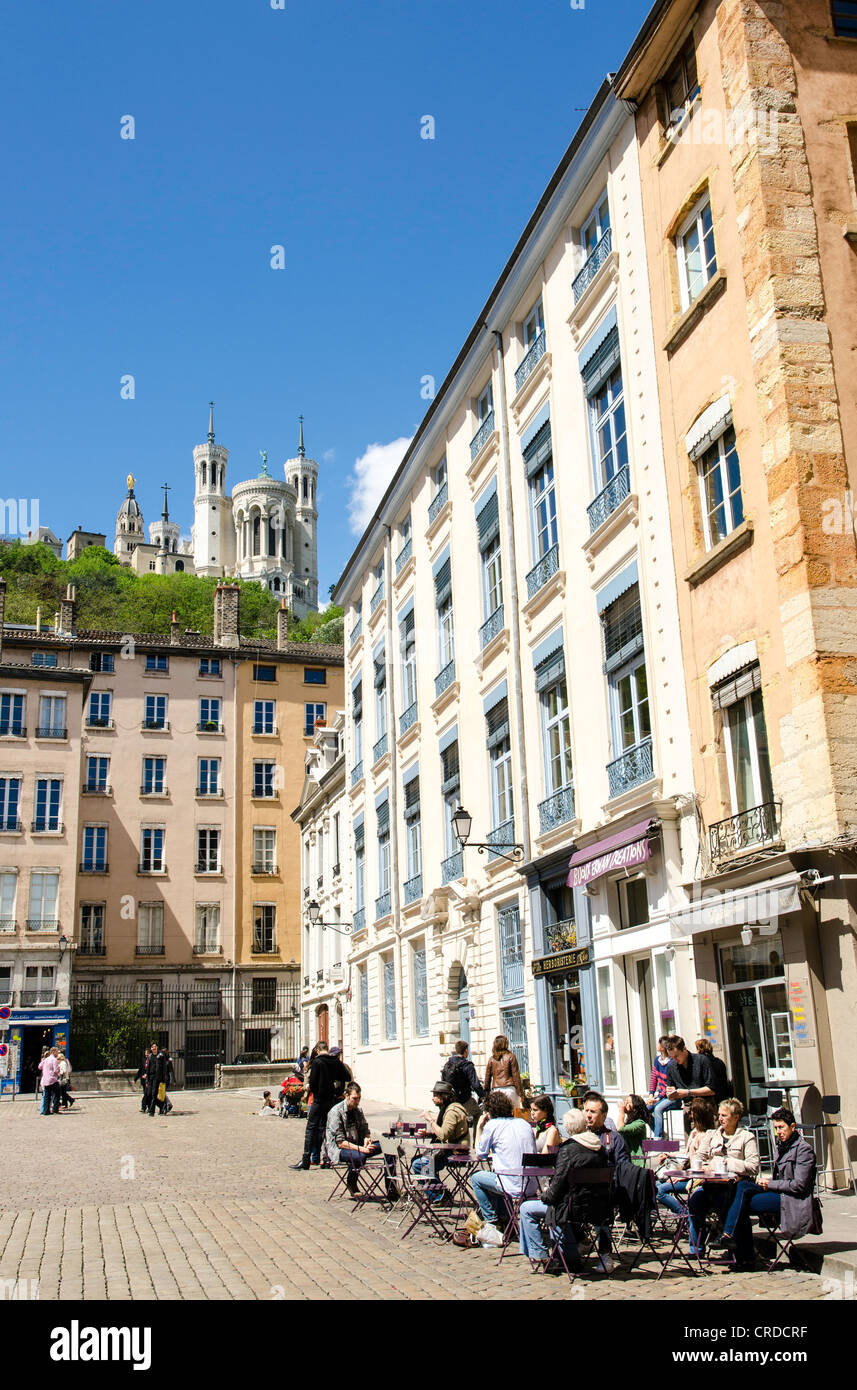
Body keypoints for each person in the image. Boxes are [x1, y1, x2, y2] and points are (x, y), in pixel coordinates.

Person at [713, 1108, 817, 1270]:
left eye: (781, 1127)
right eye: (776, 1128)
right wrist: (768, 1182)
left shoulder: (804, 1150)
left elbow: (800, 1185)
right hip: (779, 1192)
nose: (778, 1132)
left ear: (793, 1127)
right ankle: (737, 1247)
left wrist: (770, 1184)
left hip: (792, 1199)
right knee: (741, 1186)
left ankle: (742, 1254)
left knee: (741, 1204)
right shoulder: (783, 1146)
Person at [518, 1107, 612, 1273]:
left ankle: (542, 1255)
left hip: (572, 1208)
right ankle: (569, 1256)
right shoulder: (601, 1149)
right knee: (559, 1209)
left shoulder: (568, 1149)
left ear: (567, 1128)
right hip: (598, 1207)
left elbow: (557, 1186)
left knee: (527, 1208)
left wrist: (545, 1196)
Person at [686, 1098, 760, 1258]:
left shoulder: (746, 1137)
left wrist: (727, 1163)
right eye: (719, 1115)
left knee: (724, 1203)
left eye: (724, 1115)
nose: (720, 1119)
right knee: (694, 1203)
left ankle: (736, 1250)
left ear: (736, 1117)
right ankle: (696, 1248)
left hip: (733, 1186)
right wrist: (703, 1166)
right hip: (710, 1184)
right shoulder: (712, 1135)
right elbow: (698, 1156)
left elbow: (754, 1166)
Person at [471, 1092, 537, 1239]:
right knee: (496, 1177)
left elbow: (480, 1154)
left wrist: (480, 1128)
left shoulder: (493, 1125)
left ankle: (491, 1220)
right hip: (531, 1183)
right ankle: (506, 1218)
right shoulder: (523, 1123)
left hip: (511, 1183)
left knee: (476, 1178)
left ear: (489, 1112)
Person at [581, 1092, 631, 1270]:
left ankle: (605, 1253)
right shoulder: (578, 1138)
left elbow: (624, 1169)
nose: (588, 1115)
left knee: (599, 1202)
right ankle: (574, 1245)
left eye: (593, 1112)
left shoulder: (614, 1139)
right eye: (586, 1110)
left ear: (603, 1115)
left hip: (606, 1192)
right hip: (581, 1190)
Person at [325, 1082, 396, 1196]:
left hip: (358, 1145)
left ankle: (391, 1186)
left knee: (389, 1145)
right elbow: (340, 1143)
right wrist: (362, 1149)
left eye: (359, 1098)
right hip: (340, 1150)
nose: (357, 1102)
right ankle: (351, 1182)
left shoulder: (358, 1110)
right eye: (354, 1098)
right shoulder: (336, 1112)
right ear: (346, 1096)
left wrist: (367, 1139)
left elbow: (365, 1130)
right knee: (360, 1157)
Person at [292, 1041, 350, 1171]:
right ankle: (327, 1159)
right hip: (330, 1100)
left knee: (311, 1128)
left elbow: (312, 1083)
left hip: (318, 1100)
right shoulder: (335, 1061)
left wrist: (311, 1087)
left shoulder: (318, 1062)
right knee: (326, 1129)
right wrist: (336, 1090)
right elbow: (345, 1076)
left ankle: (306, 1159)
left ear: (318, 1050)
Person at [656, 1098, 717, 1214]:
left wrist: (682, 1176)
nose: (689, 1114)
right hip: (687, 1173)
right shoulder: (695, 1132)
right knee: (655, 1185)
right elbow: (686, 1154)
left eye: (692, 1112)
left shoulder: (706, 1136)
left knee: (660, 1190)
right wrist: (668, 1154)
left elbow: (700, 1163)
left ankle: (685, 1214)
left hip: (696, 1178)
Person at [413, 1081, 470, 1200]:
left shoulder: (452, 1111)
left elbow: (444, 1135)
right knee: (419, 1162)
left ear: (443, 1096)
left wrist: (430, 1120)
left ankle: (440, 1194)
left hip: (456, 1152)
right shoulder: (448, 1108)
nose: (432, 1098)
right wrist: (429, 1133)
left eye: (435, 1095)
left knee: (419, 1164)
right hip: (451, 1149)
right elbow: (448, 1131)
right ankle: (438, 1193)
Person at [664, 1035, 715, 1131]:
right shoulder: (671, 1068)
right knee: (691, 1143)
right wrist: (670, 1094)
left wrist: (688, 1092)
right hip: (688, 1110)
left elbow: (711, 1089)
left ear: (684, 1049)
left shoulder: (702, 1060)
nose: (674, 1060)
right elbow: (670, 1096)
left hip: (706, 1107)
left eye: (676, 1056)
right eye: (671, 1057)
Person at [441, 1040, 484, 1131]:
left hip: (450, 1100)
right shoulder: (467, 1065)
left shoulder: (447, 1064)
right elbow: (475, 1084)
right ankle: (475, 1141)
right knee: (478, 1114)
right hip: (465, 1099)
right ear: (465, 1051)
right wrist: (483, 1096)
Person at [646, 1035, 680, 1138]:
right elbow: (653, 1078)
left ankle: (658, 1140)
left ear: (663, 1046)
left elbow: (668, 1084)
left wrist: (658, 1098)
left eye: (659, 1043)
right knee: (644, 1110)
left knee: (658, 1109)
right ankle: (660, 1133)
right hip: (661, 1096)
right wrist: (651, 1095)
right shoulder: (657, 1060)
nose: (657, 1045)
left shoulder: (672, 1062)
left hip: (672, 1096)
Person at [483, 1035, 527, 1112]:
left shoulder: (491, 1059)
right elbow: (516, 1076)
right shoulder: (511, 1057)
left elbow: (487, 1077)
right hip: (510, 1088)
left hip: (496, 1090)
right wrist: (521, 1094)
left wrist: (486, 1092)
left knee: (498, 1113)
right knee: (513, 1114)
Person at [616, 1094, 651, 1166]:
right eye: (625, 1101)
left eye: (628, 1102)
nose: (625, 1103)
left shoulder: (640, 1123)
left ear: (635, 1108)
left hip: (636, 1163)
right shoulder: (628, 1122)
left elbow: (621, 1129)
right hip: (626, 1160)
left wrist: (621, 1111)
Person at [695, 1037, 731, 1105]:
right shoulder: (719, 1061)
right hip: (722, 1095)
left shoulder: (701, 1063)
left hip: (708, 1098)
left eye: (697, 1049)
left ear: (699, 1050)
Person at [134, 1042, 159, 1114]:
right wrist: (136, 1078)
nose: (147, 1054)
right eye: (146, 1053)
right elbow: (140, 1070)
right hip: (145, 1080)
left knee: (150, 1094)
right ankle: (144, 1107)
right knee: (147, 1094)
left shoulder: (154, 1058)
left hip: (151, 1078)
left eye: (148, 1052)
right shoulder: (144, 1060)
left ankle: (148, 1107)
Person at [38, 1047, 61, 1115]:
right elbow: (56, 1070)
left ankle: (46, 1110)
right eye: (57, 1052)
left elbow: (39, 1066)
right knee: (57, 1094)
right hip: (53, 1079)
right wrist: (59, 1070)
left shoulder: (46, 1059)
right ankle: (55, 1109)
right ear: (53, 1052)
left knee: (47, 1096)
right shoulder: (54, 1060)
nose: (58, 1053)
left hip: (46, 1080)